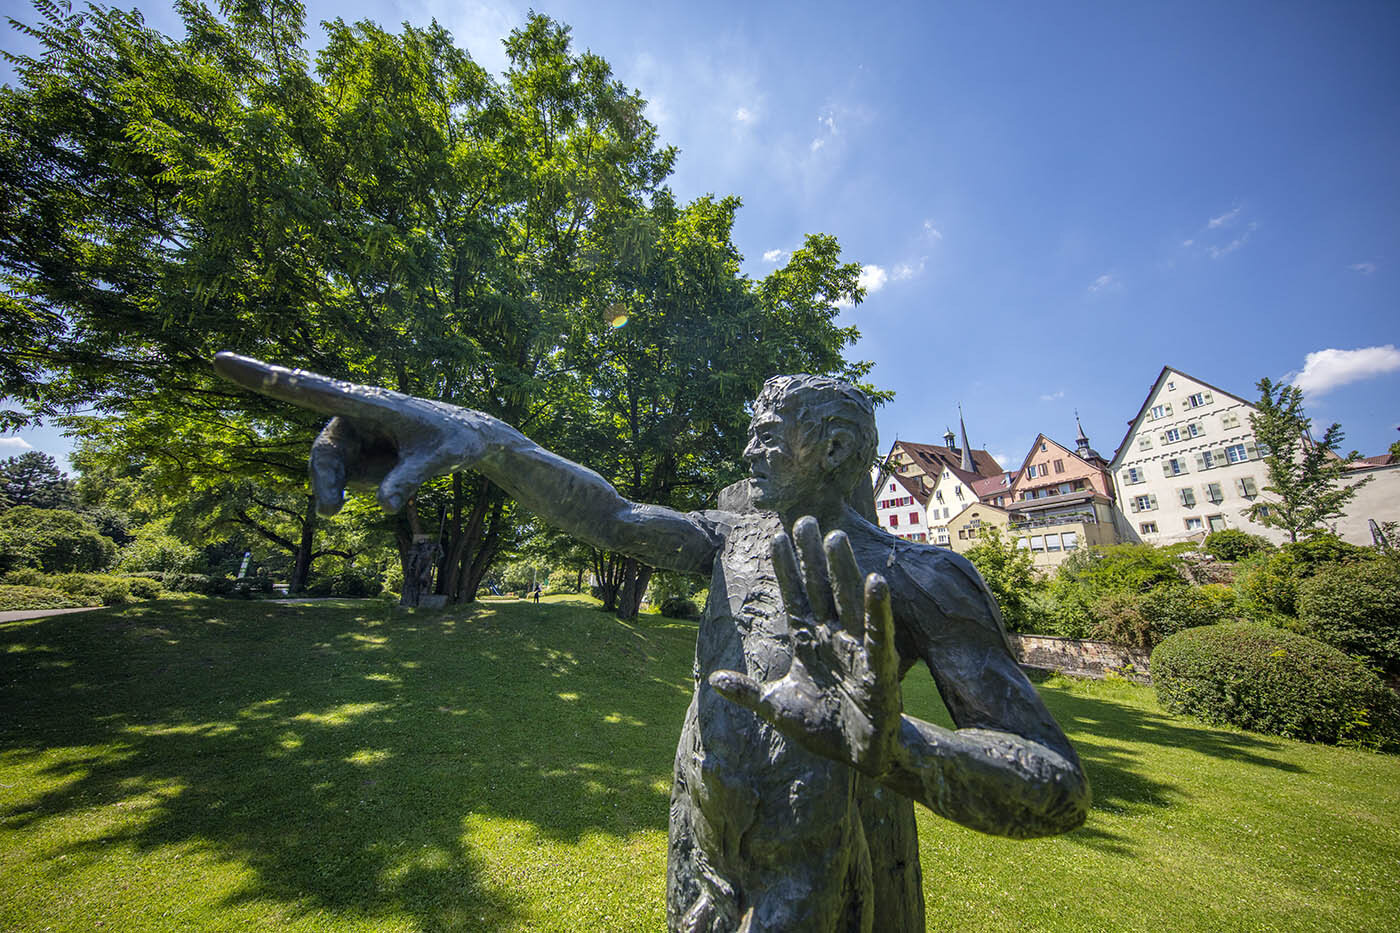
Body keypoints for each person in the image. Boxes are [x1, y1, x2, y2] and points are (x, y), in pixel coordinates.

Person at [214, 354, 1090, 933]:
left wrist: (895, 747)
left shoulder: (923, 576)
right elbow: (612, 513)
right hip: (701, 864)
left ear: (831, 447)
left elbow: (1055, 785)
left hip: (825, 889)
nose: (746, 445)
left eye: (767, 431)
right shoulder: (731, 536)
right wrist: (487, 440)